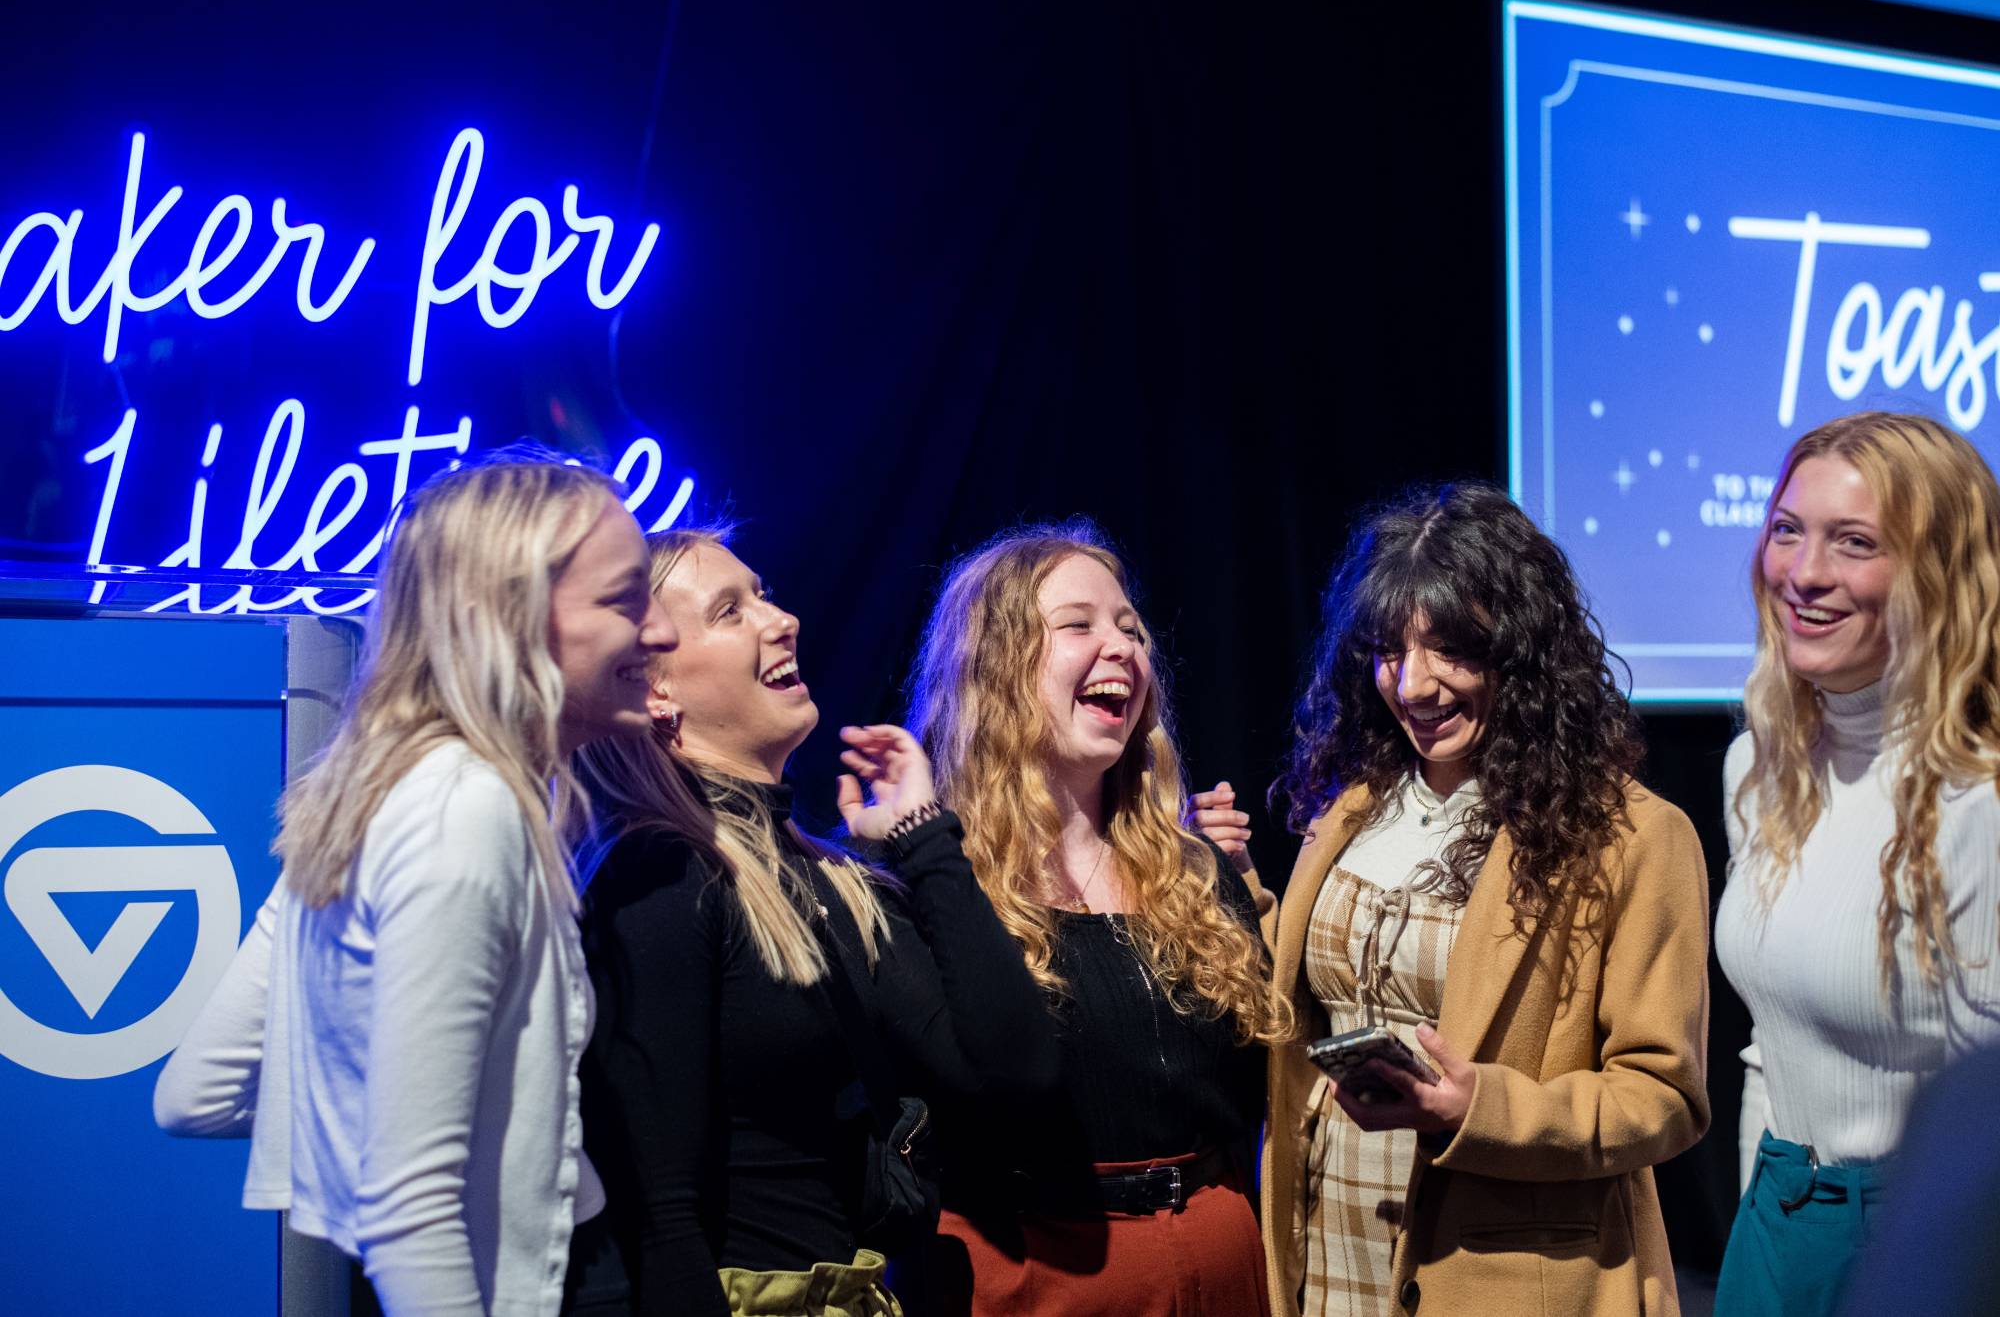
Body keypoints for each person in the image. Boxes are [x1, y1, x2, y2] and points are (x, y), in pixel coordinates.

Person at [154, 452, 677, 1315]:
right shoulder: (465, 814)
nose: (659, 631)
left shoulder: (380, 798)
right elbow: (408, 1206)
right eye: (626, 599)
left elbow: (196, 1094)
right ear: (510, 619)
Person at [568, 526, 1055, 1317]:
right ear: (657, 687)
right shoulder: (660, 873)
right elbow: (659, 1216)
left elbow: (1011, 1073)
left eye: (762, 593)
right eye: (730, 611)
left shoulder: (834, 879)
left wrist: (927, 838)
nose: (781, 618)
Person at [1248, 482, 1708, 1317]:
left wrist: (1478, 1107)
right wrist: (1234, 882)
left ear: (1524, 653)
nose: (1413, 683)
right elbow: (1324, 997)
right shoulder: (1355, 806)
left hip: (1499, 1276)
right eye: (1389, 650)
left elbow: (1664, 1096)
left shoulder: (1634, 837)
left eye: (1451, 650)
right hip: (1330, 1241)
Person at [905, 520, 1288, 1317]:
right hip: (1040, 1276)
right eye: (1077, 625)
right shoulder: (938, 885)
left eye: (1131, 630)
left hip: (1218, 1265)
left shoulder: (1196, 874)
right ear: (996, 667)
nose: (1121, 648)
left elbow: (1260, 1095)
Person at [1714, 411, 2000, 1313]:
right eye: (1789, 531)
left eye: (1854, 543)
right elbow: (1769, 1047)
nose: (1803, 574)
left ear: (1939, 573)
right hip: (1775, 1219)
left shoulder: (1978, 801)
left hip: (1926, 1243)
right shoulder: (1758, 768)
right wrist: (1762, 1230)